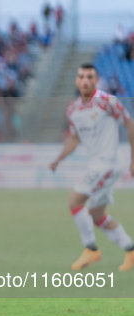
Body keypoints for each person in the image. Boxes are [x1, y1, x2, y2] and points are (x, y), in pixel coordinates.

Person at [49, 63, 134, 271]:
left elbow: (130, 123)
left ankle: (91, 248)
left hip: (110, 163)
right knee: (97, 215)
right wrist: (58, 159)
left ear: (96, 80)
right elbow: (75, 138)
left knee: (75, 200)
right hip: (97, 164)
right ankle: (130, 249)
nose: (85, 80)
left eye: (90, 77)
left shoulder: (107, 102)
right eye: (82, 77)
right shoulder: (73, 110)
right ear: (77, 81)